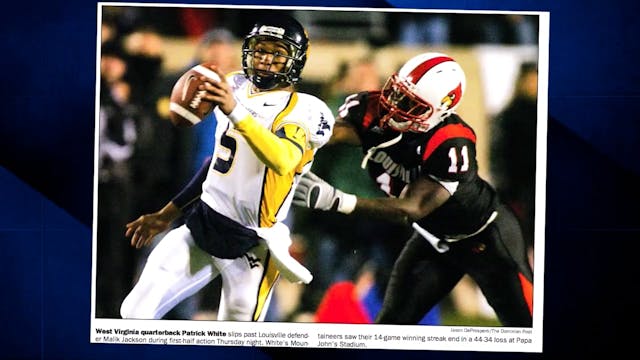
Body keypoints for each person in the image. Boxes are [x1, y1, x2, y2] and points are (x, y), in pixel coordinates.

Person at [119, 14, 335, 321]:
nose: (265, 60)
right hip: (202, 225)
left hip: (252, 244)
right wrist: (166, 214)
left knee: (235, 337)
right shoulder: (235, 85)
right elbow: (216, 166)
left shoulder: (304, 109)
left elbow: (284, 160)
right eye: (260, 50)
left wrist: (236, 112)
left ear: (295, 61)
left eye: (277, 53)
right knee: (133, 314)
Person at [293, 52, 534, 327]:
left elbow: (412, 208)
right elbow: (337, 132)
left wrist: (338, 200)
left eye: (410, 103)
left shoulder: (450, 140)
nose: (394, 105)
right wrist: (299, 131)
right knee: (392, 325)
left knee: (525, 325)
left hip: (487, 238)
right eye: (397, 93)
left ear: (439, 109)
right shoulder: (372, 107)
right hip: (433, 239)